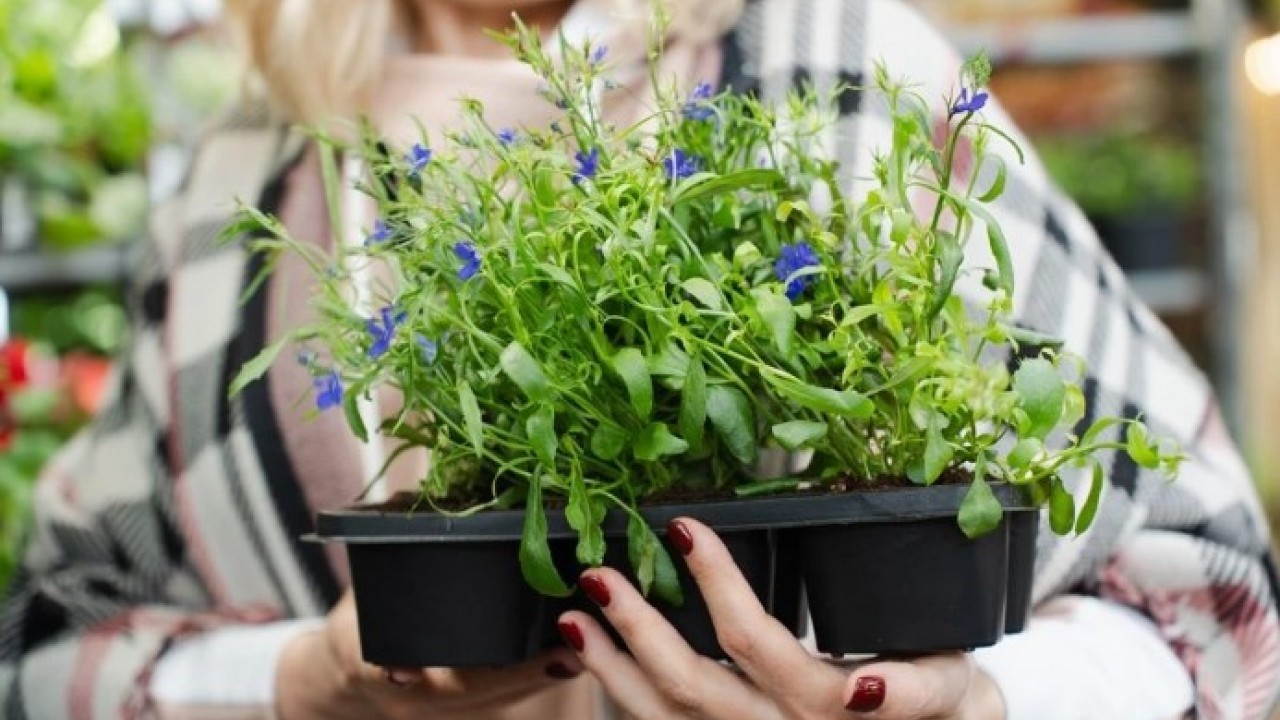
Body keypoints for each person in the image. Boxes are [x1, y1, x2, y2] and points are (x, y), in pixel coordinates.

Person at [1, 0, 1277, 718]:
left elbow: (1208, 596)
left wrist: (978, 704)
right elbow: (55, 650)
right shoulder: (256, 161)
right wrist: (301, 684)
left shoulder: (837, 63)